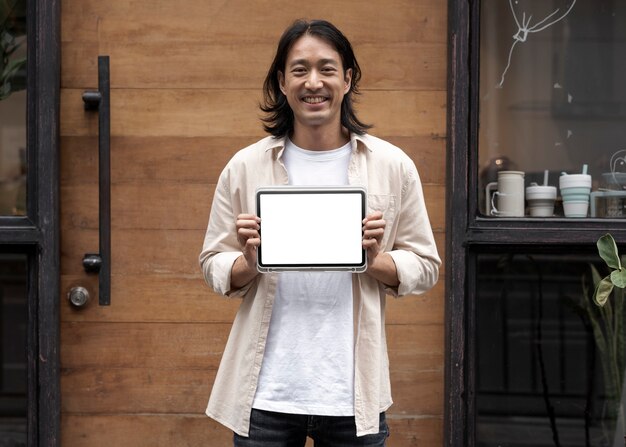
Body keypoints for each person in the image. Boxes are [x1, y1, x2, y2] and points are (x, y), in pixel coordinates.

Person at [199, 19, 441, 446]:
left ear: (347, 79)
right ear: (281, 81)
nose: (314, 82)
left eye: (327, 69)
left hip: (353, 398)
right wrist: (248, 263)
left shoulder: (390, 165)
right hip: (266, 395)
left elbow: (425, 265)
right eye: (299, 69)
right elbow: (212, 263)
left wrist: (375, 260)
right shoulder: (246, 167)